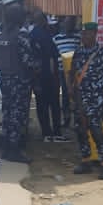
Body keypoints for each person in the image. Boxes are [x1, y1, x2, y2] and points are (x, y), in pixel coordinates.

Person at [68, 21, 103, 180]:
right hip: (80, 96)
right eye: (82, 34)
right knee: (80, 129)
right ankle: (85, 161)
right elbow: (72, 72)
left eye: (87, 34)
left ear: (94, 34)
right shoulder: (78, 52)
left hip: (97, 97)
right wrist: (70, 88)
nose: (84, 36)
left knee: (96, 129)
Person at [0, 2, 34, 163]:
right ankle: (14, 150)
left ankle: (7, 149)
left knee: (7, 114)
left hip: (5, 80)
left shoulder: (1, 37)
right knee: (17, 116)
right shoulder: (21, 37)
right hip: (19, 82)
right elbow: (28, 61)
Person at [29, 11, 65, 142]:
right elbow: (51, 57)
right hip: (48, 76)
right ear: (43, 21)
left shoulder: (32, 35)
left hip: (37, 76)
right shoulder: (44, 35)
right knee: (54, 105)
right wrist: (55, 77)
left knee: (41, 106)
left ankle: (46, 133)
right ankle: (56, 133)